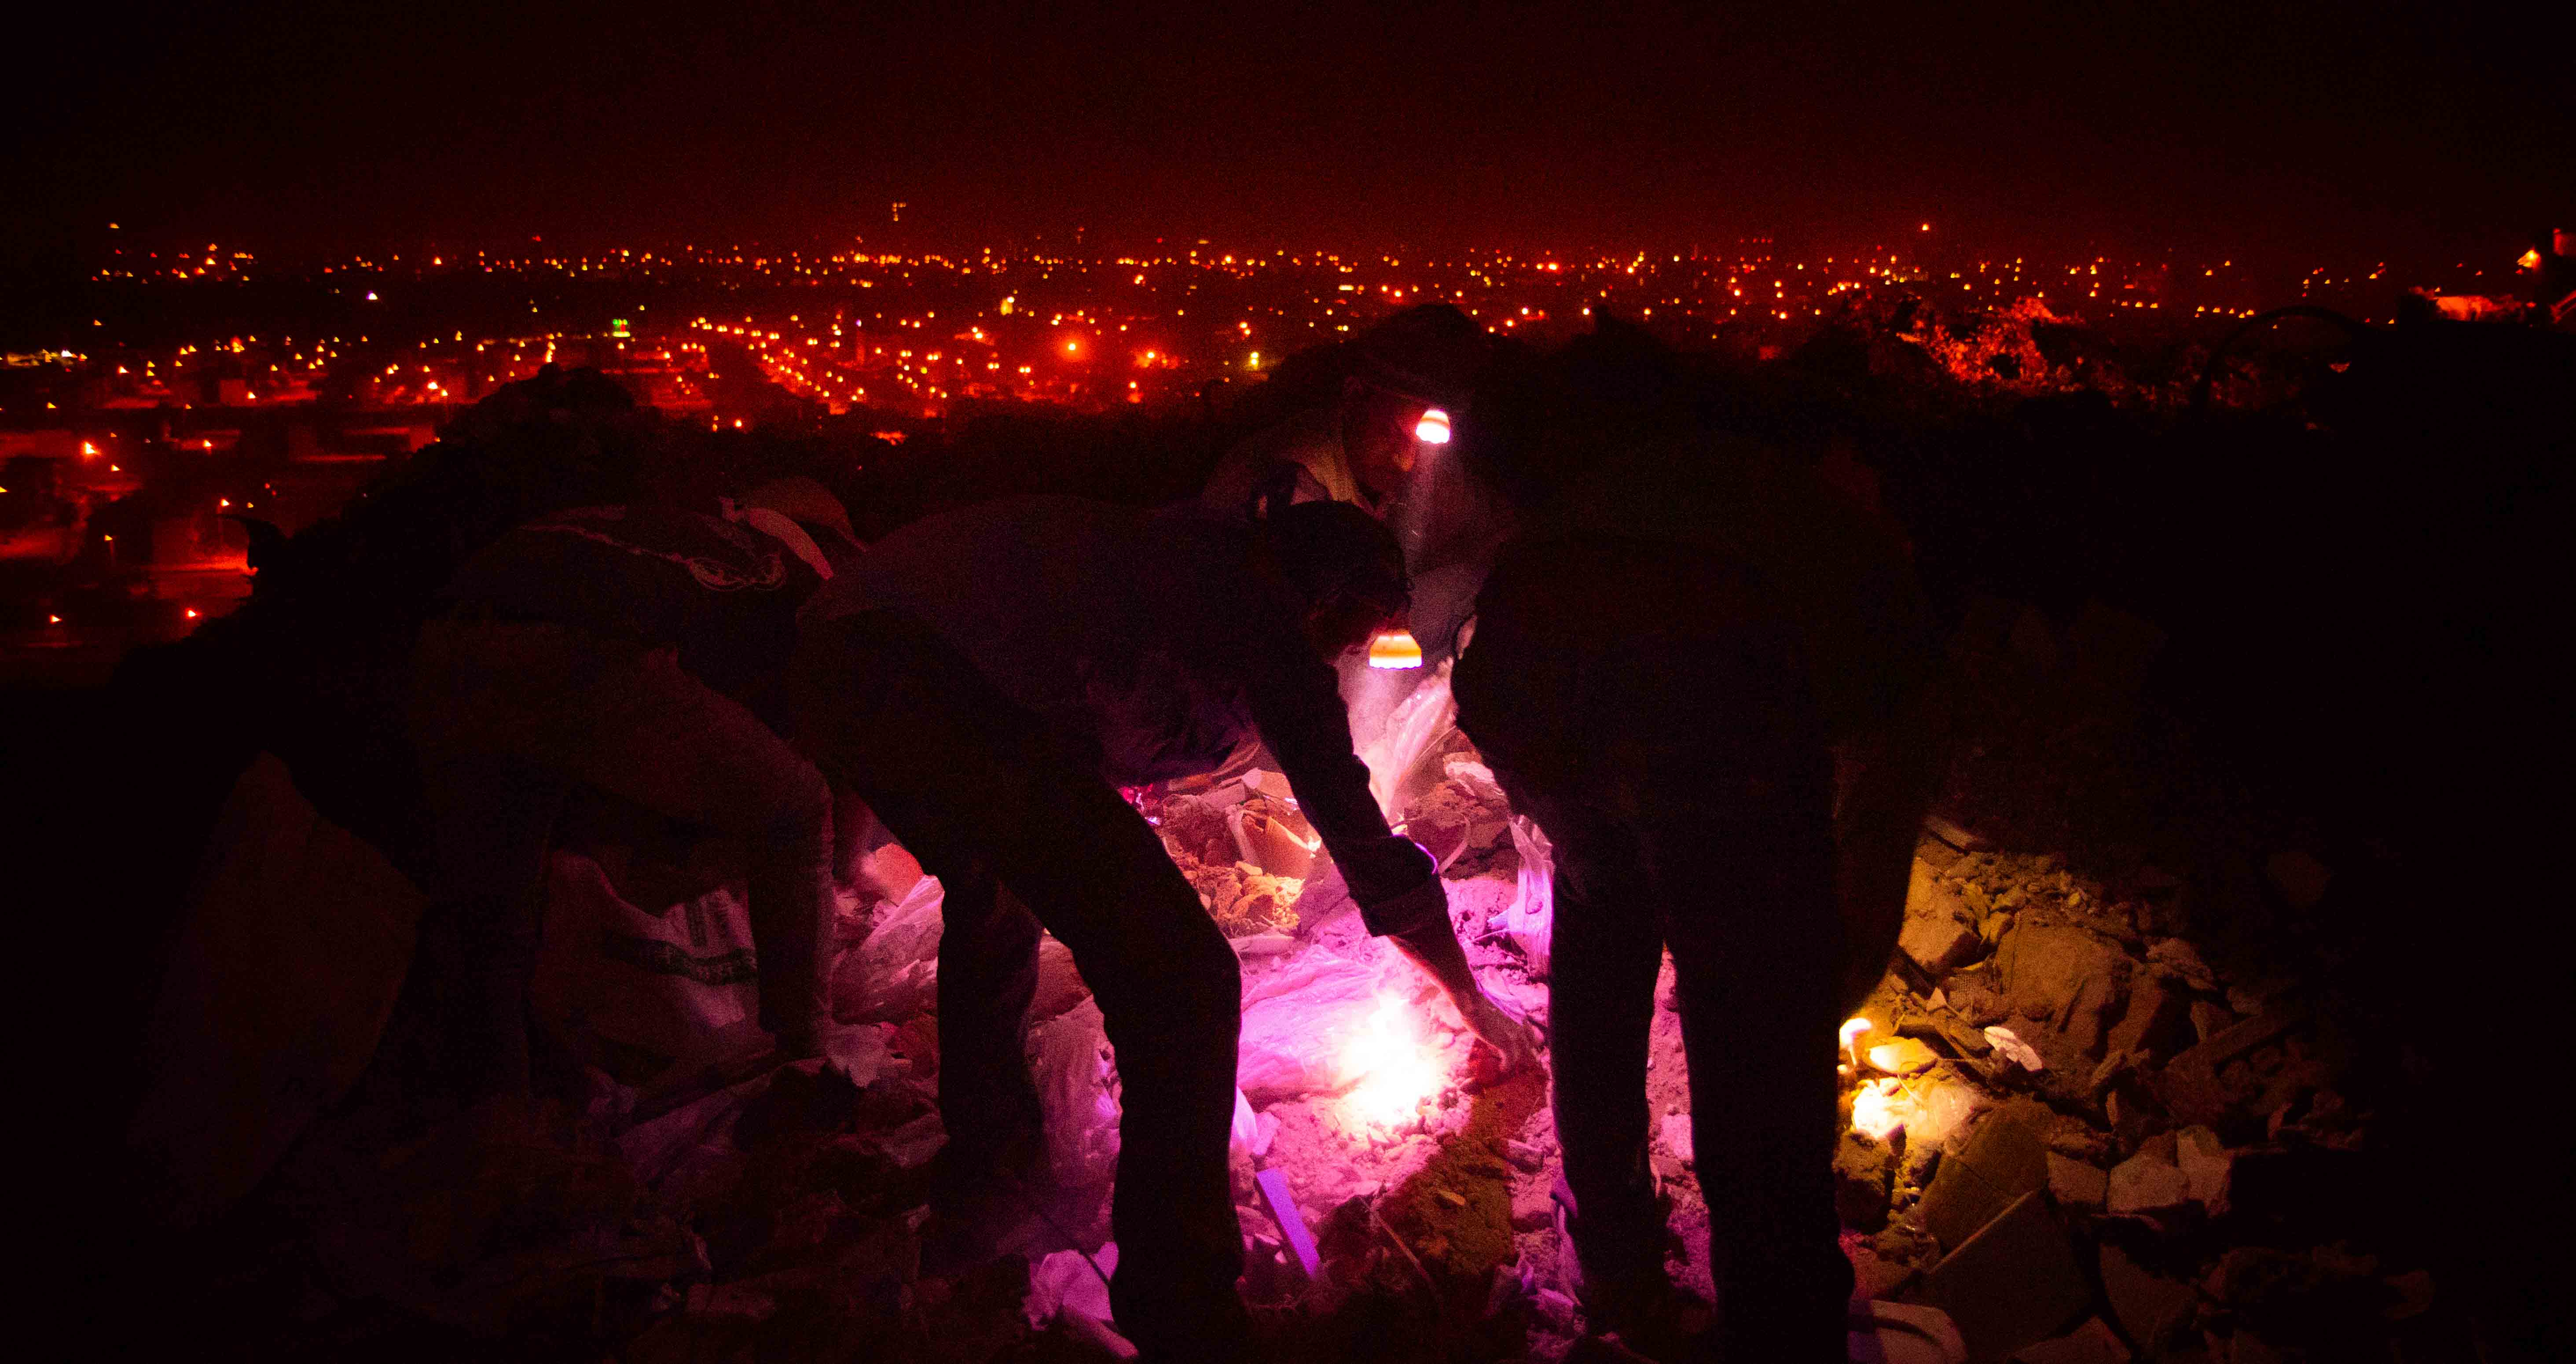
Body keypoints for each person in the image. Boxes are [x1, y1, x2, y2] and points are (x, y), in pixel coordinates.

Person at [787, 487, 1537, 1359]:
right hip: (915, 675)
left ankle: (990, 1164)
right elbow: (1357, 830)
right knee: (1182, 978)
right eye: (1348, 635)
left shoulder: (1183, 556)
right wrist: (1465, 994)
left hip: (838, 660)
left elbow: (1065, 693)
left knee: (994, 894)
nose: (1342, 658)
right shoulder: (1255, 610)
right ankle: (1182, 1308)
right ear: (1325, 599)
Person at [1449, 324, 1949, 1360]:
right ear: (1836, 447)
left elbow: (1493, 680)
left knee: (1602, 940)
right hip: (1697, 696)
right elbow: (1893, 747)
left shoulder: (1653, 480)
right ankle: (1779, 1317)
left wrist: (1582, 827)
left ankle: (1614, 1257)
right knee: (1752, 1030)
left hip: (1529, 675)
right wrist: (1842, 937)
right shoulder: (1827, 525)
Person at [406, 477, 862, 1112]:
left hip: (445, 636)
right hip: (582, 650)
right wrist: (843, 872)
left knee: (499, 901)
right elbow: (824, 750)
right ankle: (804, 1054)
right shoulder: (793, 581)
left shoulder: (676, 533)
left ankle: (496, 1106)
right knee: (798, 809)